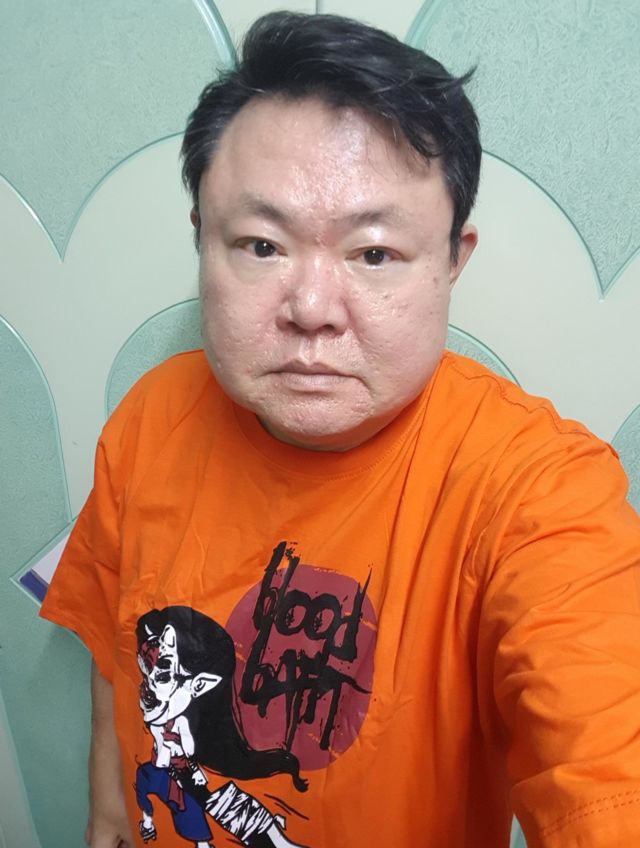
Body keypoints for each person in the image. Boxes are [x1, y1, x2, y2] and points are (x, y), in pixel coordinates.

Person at [40, 11, 640, 848]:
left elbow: (605, 772)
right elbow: (119, 650)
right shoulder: (149, 417)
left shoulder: (539, 491)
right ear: (202, 240)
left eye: (374, 254)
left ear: (453, 260)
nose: (313, 309)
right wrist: (109, 812)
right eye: (261, 245)